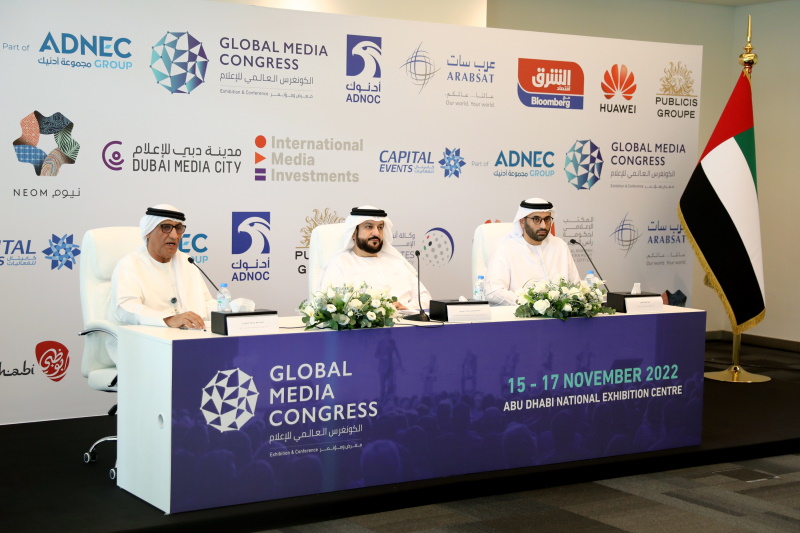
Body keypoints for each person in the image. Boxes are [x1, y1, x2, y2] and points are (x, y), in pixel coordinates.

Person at [110, 204, 216, 329]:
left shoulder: (187, 261)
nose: (174, 235)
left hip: (189, 334)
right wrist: (168, 319)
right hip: (149, 336)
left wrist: (231, 309)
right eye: (166, 227)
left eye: (178, 228)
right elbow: (126, 308)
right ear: (148, 232)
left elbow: (205, 303)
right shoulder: (129, 265)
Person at [316, 206, 431, 310]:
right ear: (353, 233)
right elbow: (327, 306)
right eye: (369, 227)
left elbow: (425, 298)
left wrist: (406, 307)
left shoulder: (397, 263)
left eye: (380, 227)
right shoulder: (339, 264)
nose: (376, 233)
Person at [484, 198, 580, 306]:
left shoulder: (560, 245)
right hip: (520, 314)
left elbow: (576, 286)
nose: (543, 225)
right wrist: (530, 303)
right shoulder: (506, 248)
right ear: (522, 221)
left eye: (547, 219)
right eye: (536, 219)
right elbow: (493, 292)